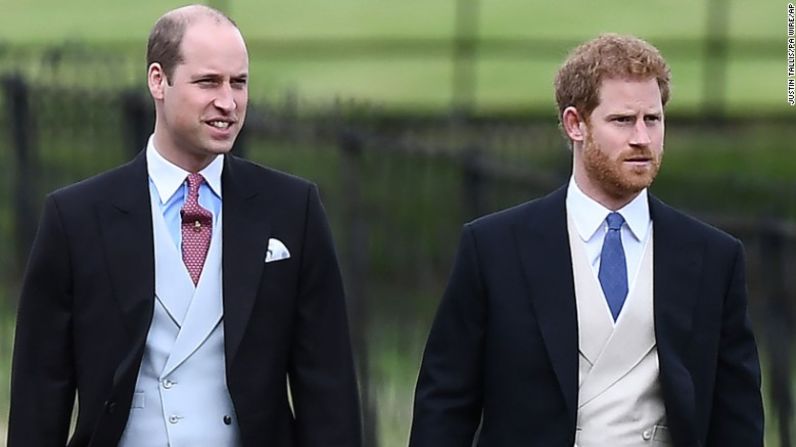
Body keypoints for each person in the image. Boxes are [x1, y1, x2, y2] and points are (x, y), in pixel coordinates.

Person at [7, 5, 361, 446]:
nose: (228, 102)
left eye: (239, 83)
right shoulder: (76, 218)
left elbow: (327, 387)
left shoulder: (292, 209)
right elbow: (40, 393)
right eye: (208, 82)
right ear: (159, 80)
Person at [409, 34, 763, 447]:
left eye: (653, 119)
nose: (642, 139)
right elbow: (445, 405)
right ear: (575, 124)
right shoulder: (495, 248)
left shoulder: (713, 257)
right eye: (622, 121)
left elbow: (737, 417)